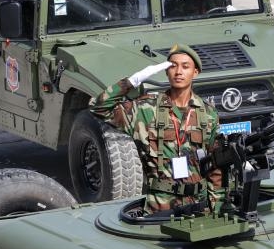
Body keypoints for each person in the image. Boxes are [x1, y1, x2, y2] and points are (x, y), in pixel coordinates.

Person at [90, 44, 222, 214]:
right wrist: (132, 82)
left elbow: (216, 168)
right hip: (160, 208)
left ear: (195, 72)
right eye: (173, 66)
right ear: (166, 71)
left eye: (185, 66)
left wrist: (218, 208)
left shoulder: (208, 114)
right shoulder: (146, 109)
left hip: (198, 207)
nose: (179, 72)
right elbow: (98, 108)